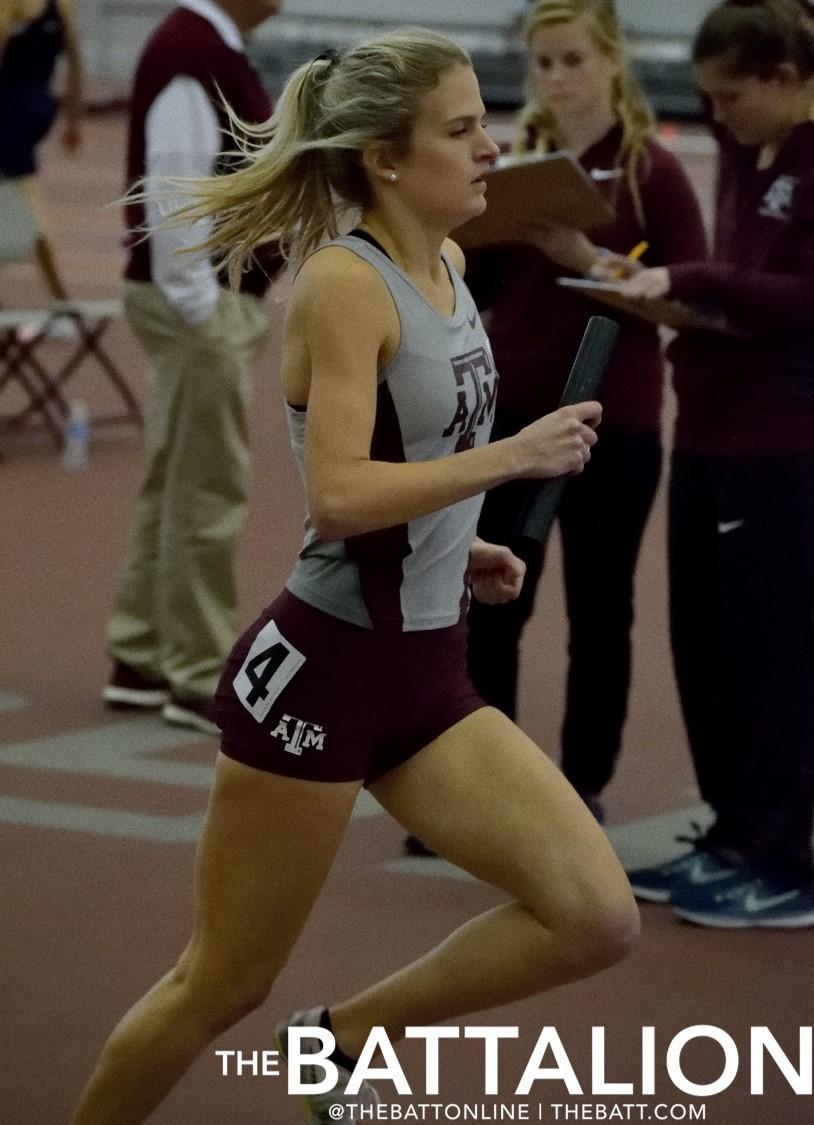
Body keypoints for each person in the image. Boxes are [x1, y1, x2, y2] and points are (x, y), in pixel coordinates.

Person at [70, 28, 639, 1125]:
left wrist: (454, 538)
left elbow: (411, 467)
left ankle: (336, 1044)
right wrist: (515, 457)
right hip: (323, 676)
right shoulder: (345, 284)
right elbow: (336, 493)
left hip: (425, 674)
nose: (489, 150)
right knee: (220, 981)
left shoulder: (451, 267)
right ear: (385, 157)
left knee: (592, 918)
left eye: (486, 121)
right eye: (461, 129)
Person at [462, 0, 707, 824]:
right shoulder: (516, 158)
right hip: (514, 413)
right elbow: (480, 290)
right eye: (543, 63)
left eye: (573, 59)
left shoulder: (650, 170)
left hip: (613, 419)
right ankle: (489, 785)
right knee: (494, 604)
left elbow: (691, 300)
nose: (558, 78)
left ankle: (580, 790)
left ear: (611, 60)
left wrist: (585, 256)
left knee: (601, 612)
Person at [622, 0, 814, 928]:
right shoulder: (747, 147)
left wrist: (693, 282)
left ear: (785, 79)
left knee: (775, 654)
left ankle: (785, 854)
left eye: (731, 96)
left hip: (784, 442)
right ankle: (735, 828)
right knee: (706, 642)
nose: (717, 116)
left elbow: (802, 297)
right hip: (706, 425)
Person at [101, 0, 284, 734]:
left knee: (174, 480)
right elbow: (175, 188)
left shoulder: (208, 46)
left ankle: (141, 655)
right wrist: (204, 309)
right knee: (208, 491)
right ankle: (197, 673)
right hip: (197, 304)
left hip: (199, 300)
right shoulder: (191, 52)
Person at [0, 0, 83, 301]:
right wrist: (74, 119)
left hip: (11, 111)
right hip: (40, 106)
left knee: (28, 200)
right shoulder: (62, 6)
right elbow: (75, 59)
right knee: (11, 201)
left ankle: (62, 302)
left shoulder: (14, 5)